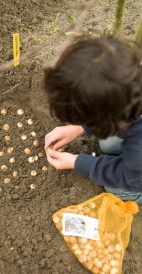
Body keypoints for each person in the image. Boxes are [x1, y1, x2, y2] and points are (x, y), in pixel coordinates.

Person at [44, 36, 142, 203]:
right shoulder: (131, 71)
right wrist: (80, 127)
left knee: (116, 188)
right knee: (107, 143)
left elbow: (130, 178)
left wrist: (79, 162)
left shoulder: (138, 148)